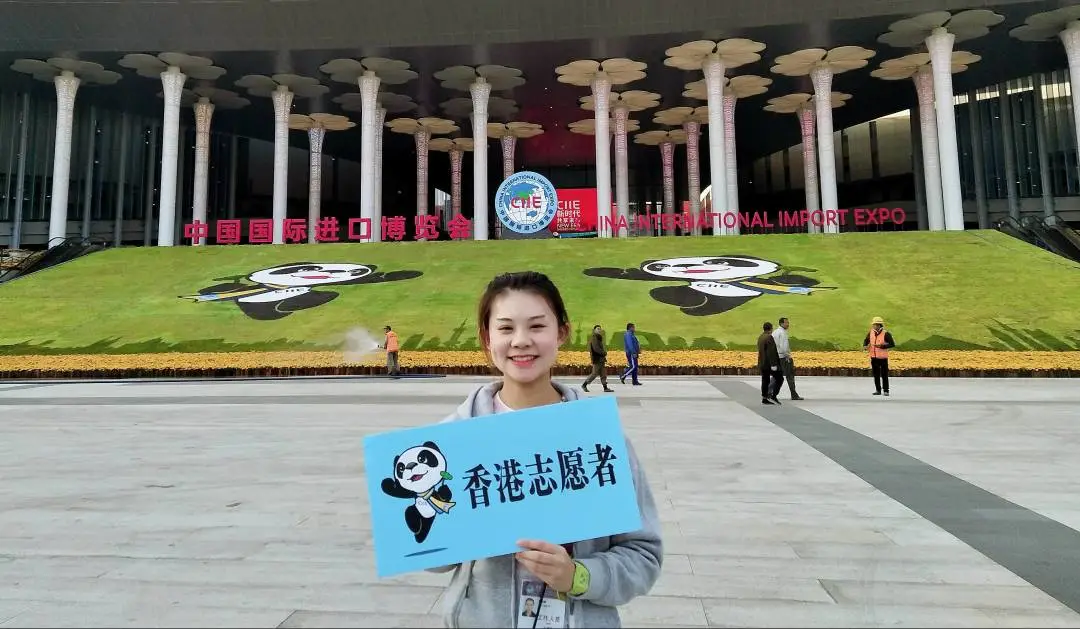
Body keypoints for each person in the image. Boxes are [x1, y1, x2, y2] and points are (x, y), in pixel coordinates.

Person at [429, 271, 662, 628]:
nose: (521, 341)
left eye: (537, 326)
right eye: (506, 328)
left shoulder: (597, 439)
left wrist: (578, 576)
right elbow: (432, 557)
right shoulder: (451, 442)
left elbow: (643, 555)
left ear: (562, 333)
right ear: (487, 338)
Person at [772, 317, 803, 400]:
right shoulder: (782, 333)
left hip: (776, 356)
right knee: (790, 376)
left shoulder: (775, 332)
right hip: (783, 357)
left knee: (776, 376)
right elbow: (784, 347)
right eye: (786, 323)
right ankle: (794, 394)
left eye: (788, 322)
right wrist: (787, 356)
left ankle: (768, 392)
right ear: (781, 323)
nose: (788, 324)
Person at [863, 316, 896, 396]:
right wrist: (865, 346)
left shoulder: (886, 334)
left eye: (875, 325)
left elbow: (892, 344)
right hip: (873, 357)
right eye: (873, 325)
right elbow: (866, 341)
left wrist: (882, 346)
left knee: (884, 375)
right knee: (876, 375)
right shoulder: (870, 333)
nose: (874, 326)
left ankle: (886, 390)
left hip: (883, 358)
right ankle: (878, 390)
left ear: (879, 325)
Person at [582, 324, 614, 393]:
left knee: (603, 374)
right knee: (594, 374)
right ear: (594, 330)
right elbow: (596, 349)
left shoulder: (599, 337)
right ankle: (584, 385)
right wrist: (603, 353)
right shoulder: (594, 338)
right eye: (598, 329)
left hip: (601, 359)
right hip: (597, 359)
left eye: (600, 329)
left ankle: (605, 387)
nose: (599, 330)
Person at [757, 321, 783, 405]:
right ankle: (773, 395)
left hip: (762, 363)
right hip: (769, 364)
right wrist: (774, 365)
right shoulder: (769, 337)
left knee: (765, 380)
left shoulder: (761, 337)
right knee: (779, 378)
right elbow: (771, 352)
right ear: (771, 329)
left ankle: (764, 398)